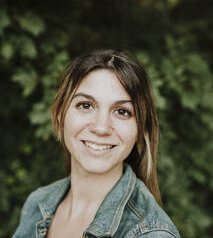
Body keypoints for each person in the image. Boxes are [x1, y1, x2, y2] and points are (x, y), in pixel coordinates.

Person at [12, 49, 181, 238]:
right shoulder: (37, 204)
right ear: (60, 114)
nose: (101, 128)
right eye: (86, 105)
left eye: (122, 112)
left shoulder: (152, 234)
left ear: (140, 131)